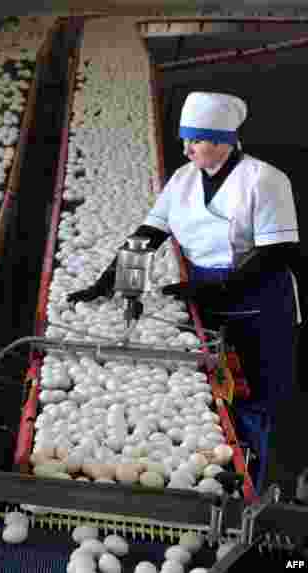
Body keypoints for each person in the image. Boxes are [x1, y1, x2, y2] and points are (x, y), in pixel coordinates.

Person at [67, 91, 301, 490]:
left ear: (224, 142)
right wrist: (107, 281)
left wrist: (219, 288)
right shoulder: (183, 178)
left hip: (260, 302)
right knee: (216, 394)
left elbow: (276, 254)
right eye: (185, 139)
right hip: (206, 296)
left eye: (197, 139)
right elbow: (148, 234)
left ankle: (264, 488)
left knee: (263, 399)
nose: (187, 147)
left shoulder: (265, 180)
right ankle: (218, 469)